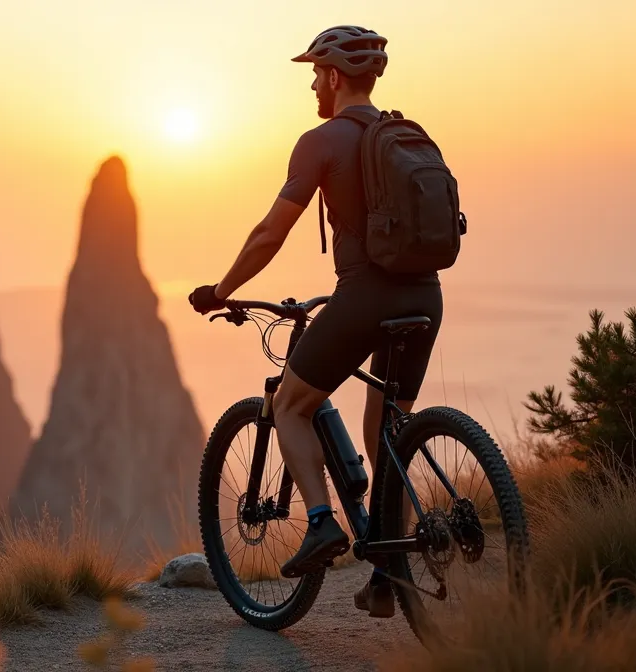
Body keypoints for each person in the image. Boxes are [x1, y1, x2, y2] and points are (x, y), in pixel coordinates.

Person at [187, 25, 444, 619]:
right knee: (389, 431)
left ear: (332, 77)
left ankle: (323, 523)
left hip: (364, 299)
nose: (311, 83)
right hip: (425, 298)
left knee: (290, 406)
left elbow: (270, 233)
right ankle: (387, 571)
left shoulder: (321, 140)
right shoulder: (405, 135)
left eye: (314, 73)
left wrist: (223, 290)